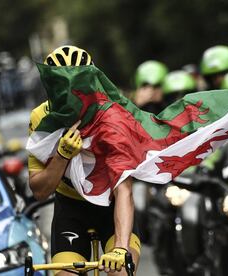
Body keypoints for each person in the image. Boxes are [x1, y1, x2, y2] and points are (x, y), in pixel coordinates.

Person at [28, 45, 140, 275]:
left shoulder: (112, 114)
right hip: (71, 209)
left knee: (120, 271)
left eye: (77, 82)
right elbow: (39, 191)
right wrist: (61, 156)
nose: (70, 91)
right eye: (61, 83)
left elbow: (124, 189)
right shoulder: (40, 117)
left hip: (111, 205)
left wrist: (120, 248)